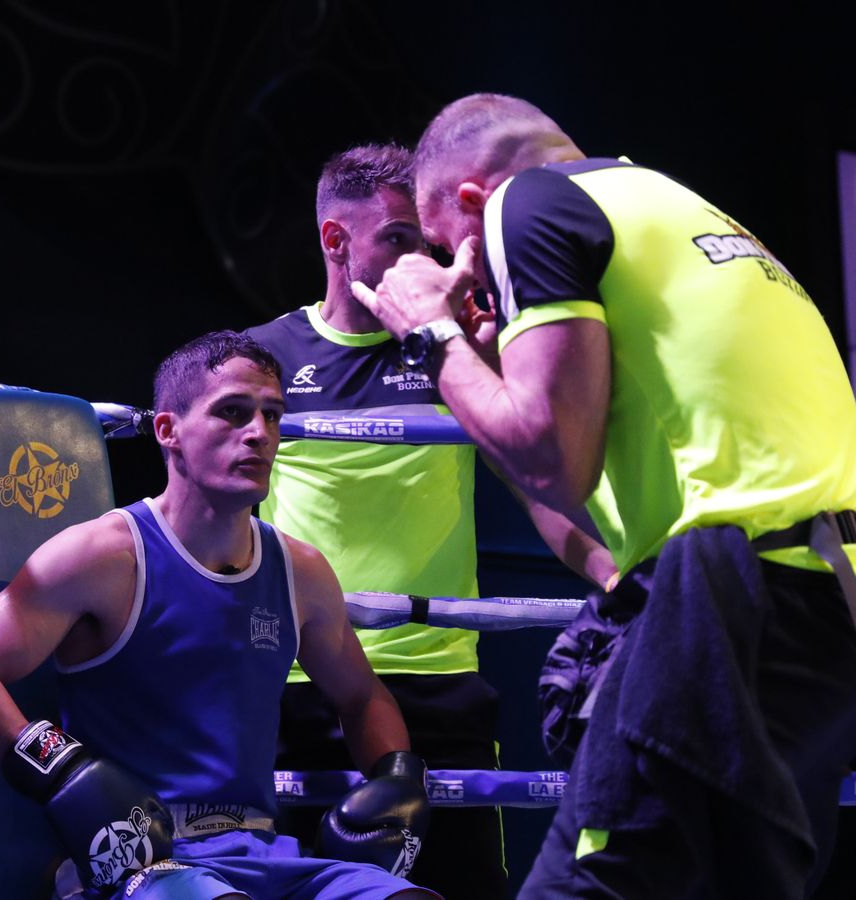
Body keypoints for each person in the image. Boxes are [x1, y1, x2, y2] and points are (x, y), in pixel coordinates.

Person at [355, 92, 856, 897]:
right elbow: (586, 510)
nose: (463, 277)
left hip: (737, 591)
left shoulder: (529, 202)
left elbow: (553, 461)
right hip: (822, 601)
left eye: (451, 248)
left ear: (474, 199)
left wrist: (430, 332)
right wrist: (489, 370)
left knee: (587, 884)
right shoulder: (678, 209)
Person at [0, 331, 438, 899]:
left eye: (271, 415)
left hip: (268, 855)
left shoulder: (301, 572)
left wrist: (397, 777)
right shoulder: (103, 557)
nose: (259, 433)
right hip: (145, 865)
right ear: (169, 431)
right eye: (233, 412)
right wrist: (66, 773)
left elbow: (363, 696)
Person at [244, 143, 614, 899]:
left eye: (427, 243)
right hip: (304, 680)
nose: (419, 262)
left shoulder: (453, 354)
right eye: (397, 239)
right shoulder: (265, 360)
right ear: (335, 241)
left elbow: (540, 487)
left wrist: (619, 577)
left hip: (440, 680)